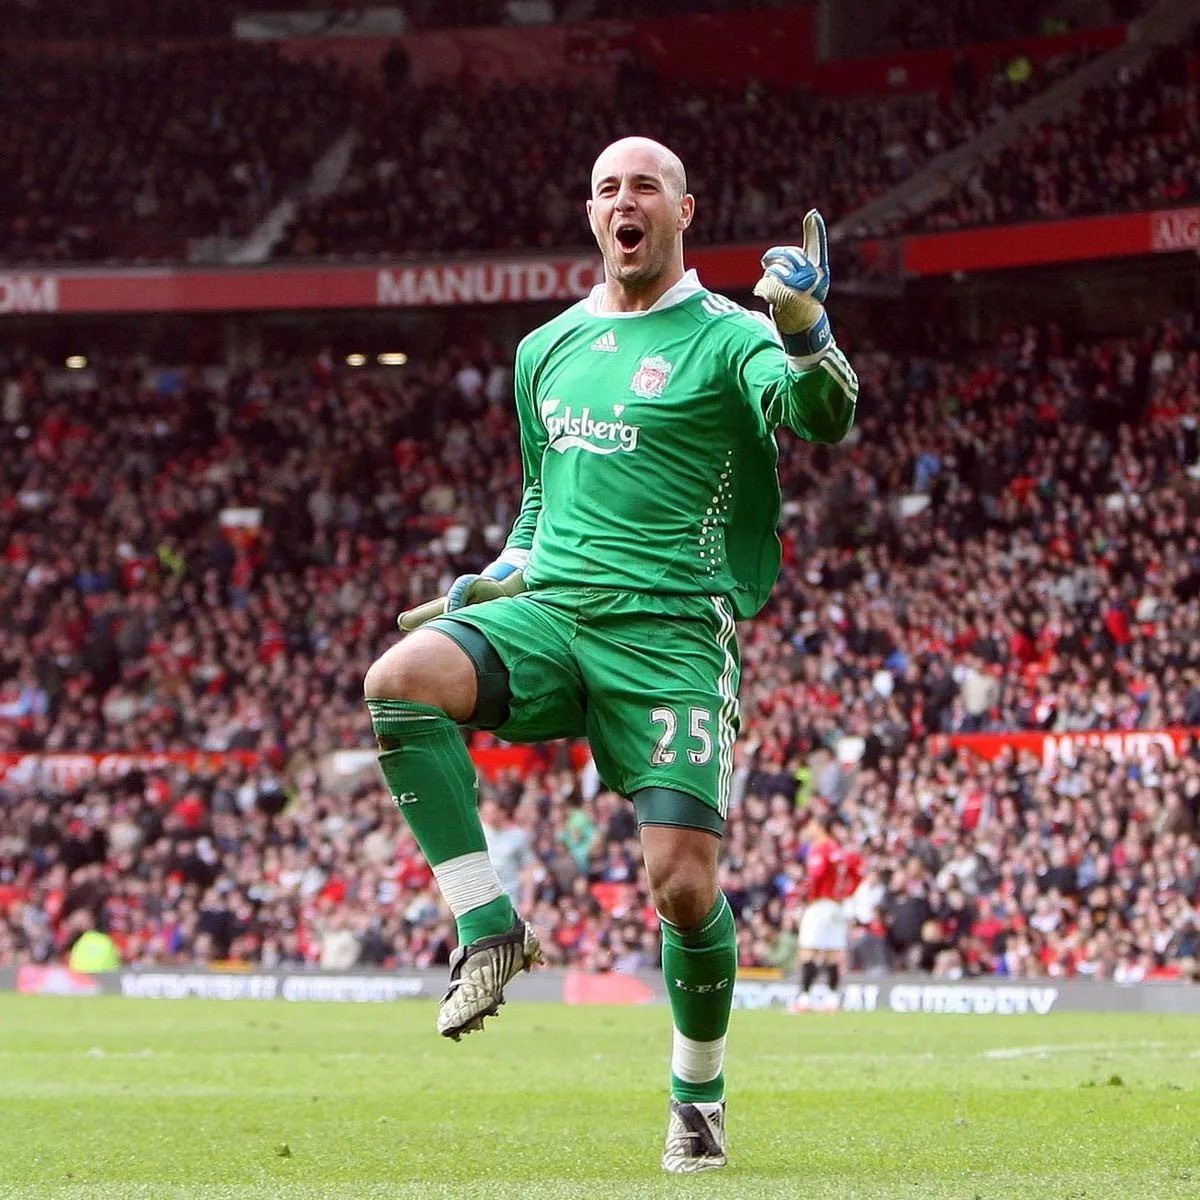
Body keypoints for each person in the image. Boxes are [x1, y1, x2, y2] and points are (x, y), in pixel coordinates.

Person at [363, 135, 858, 1173]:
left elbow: (823, 417)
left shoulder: (730, 336)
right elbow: (539, 502)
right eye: (605, 189)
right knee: (399, 682)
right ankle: (488, 928)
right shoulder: (543, 349)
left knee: (681, 887)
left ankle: (697, 1094)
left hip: (671, 632)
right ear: (591, 216)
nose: (622, 202)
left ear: (683, 210)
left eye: (643, 187)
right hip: (552, 613)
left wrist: (805, 328)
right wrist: (500, 570)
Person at [790, 816, 863, 1013]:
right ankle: (832, 1000)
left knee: (808, 951)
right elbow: (857, 873)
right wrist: (846, 893)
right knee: (833, 953)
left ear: (821, 827)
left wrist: (800, 896)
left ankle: (805, 999)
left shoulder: (820, 848)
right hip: (837, 906)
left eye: (811, 825)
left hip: (819, 904)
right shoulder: (839, 850)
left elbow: (815, 875)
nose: (808, 829)